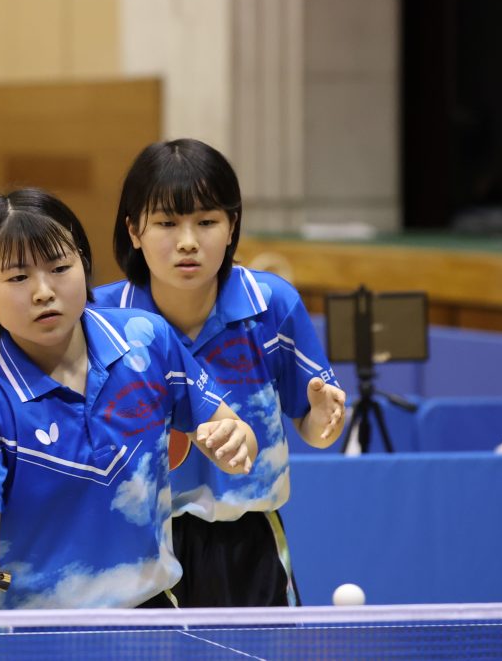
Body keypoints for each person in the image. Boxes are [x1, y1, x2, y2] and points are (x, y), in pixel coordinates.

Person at [0, 188, 259, 610]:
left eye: (60, 267)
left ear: (84, 264)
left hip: (149, 618)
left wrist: (236, 442)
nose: (44, 291)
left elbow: (237, 438)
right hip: (29, 632)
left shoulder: (147, 339)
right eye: (18, 277)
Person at [93, 138, 347, 607]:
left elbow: (313, 430)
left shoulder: (271, 305)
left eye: (207, 222)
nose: (188, 241)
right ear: (133, 231)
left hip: (245, 542)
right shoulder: (102, 321)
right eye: (167, 223)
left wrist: (324, 419)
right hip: (138, 546)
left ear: (232, 227)